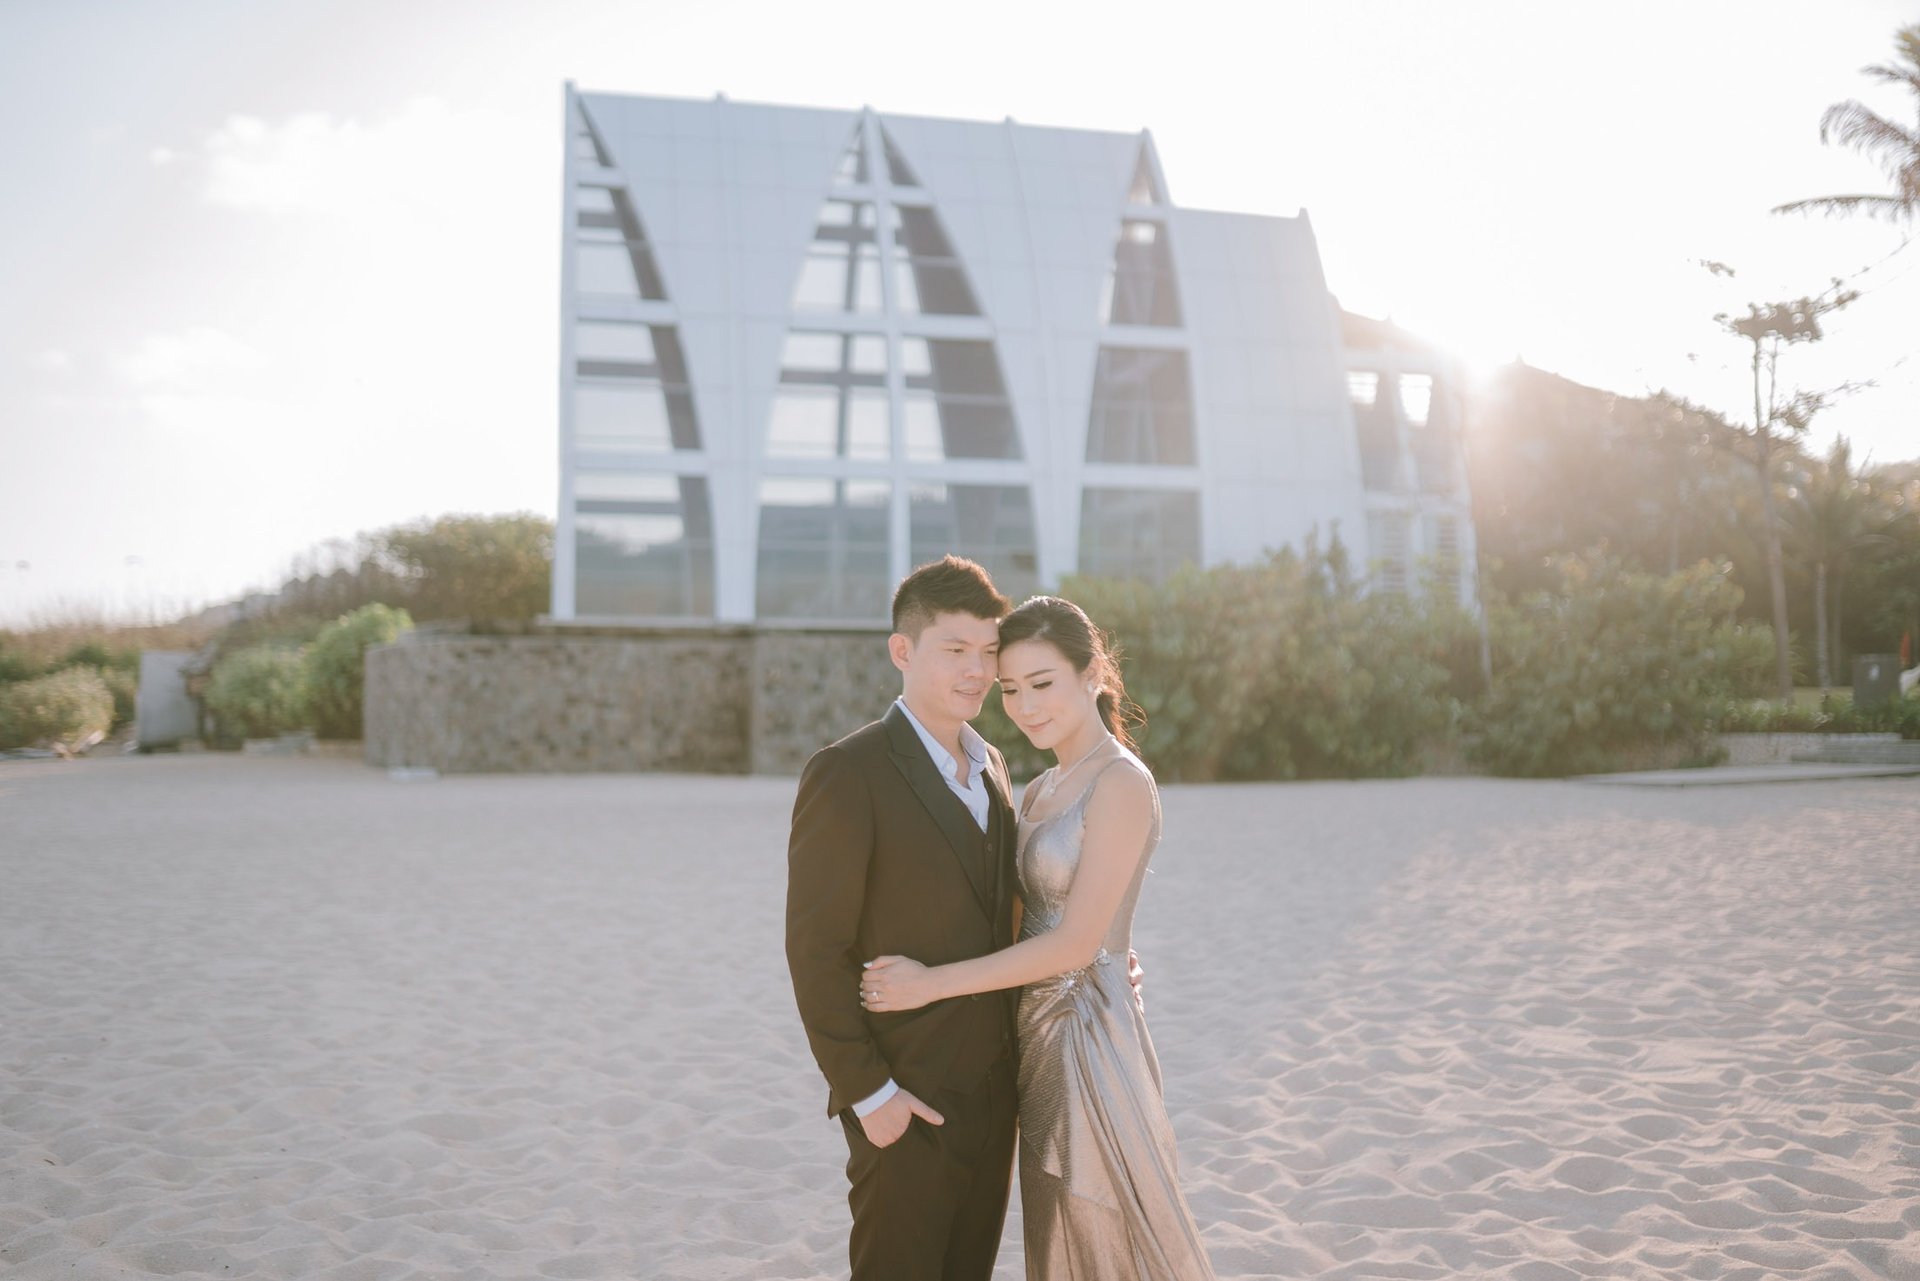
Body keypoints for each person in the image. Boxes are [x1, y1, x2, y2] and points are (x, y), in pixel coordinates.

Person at [861, 595, 1216, 1280]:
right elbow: (1023, 918)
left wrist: (930, 982)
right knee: (1054, 1223)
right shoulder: (1039, 787)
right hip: (1033, 1034)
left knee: (1100, 1217)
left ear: (1093, 674)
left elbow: (1076, 944)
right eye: (1012, 688)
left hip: (1089, 1034)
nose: (1025, 706)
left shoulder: (1122, 782)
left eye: (1043, 683)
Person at [785, 555, 1021, 1281]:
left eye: (988, 652)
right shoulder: (848, 771)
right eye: (955, 650)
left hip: (994, 1095)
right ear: (903, 650)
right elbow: (815, 948)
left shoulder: (994, 766)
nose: (976, 670)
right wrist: (869, 1094)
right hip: (904, 1096)